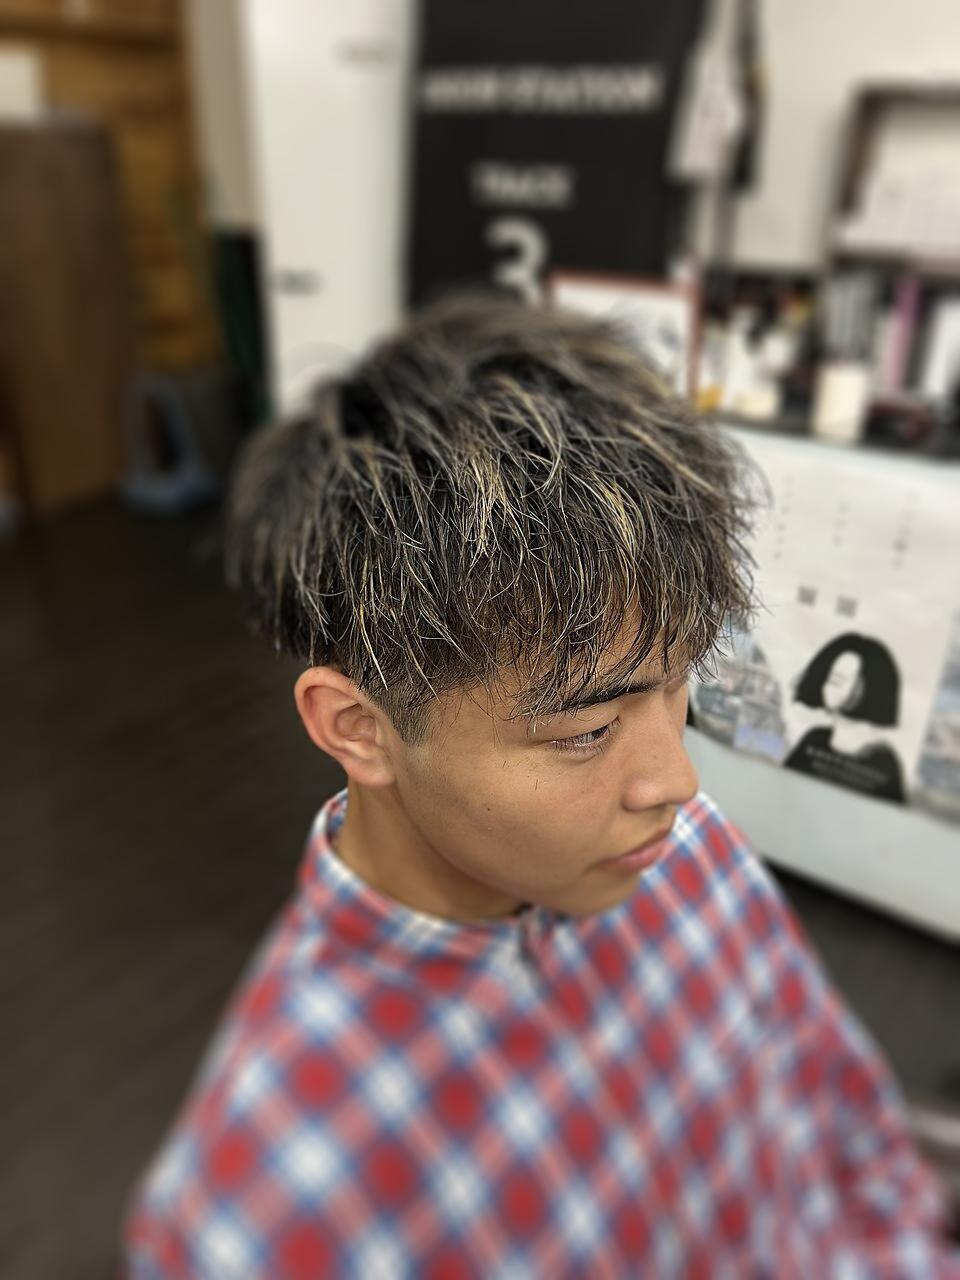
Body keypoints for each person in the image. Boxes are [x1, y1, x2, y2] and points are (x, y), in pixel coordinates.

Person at [120, 294, 959, 1277]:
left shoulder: (690, 854)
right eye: (588, 732)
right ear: (359, 729)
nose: (678, 782)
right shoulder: (263, 1220)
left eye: (678, 686)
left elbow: (849, 1127)